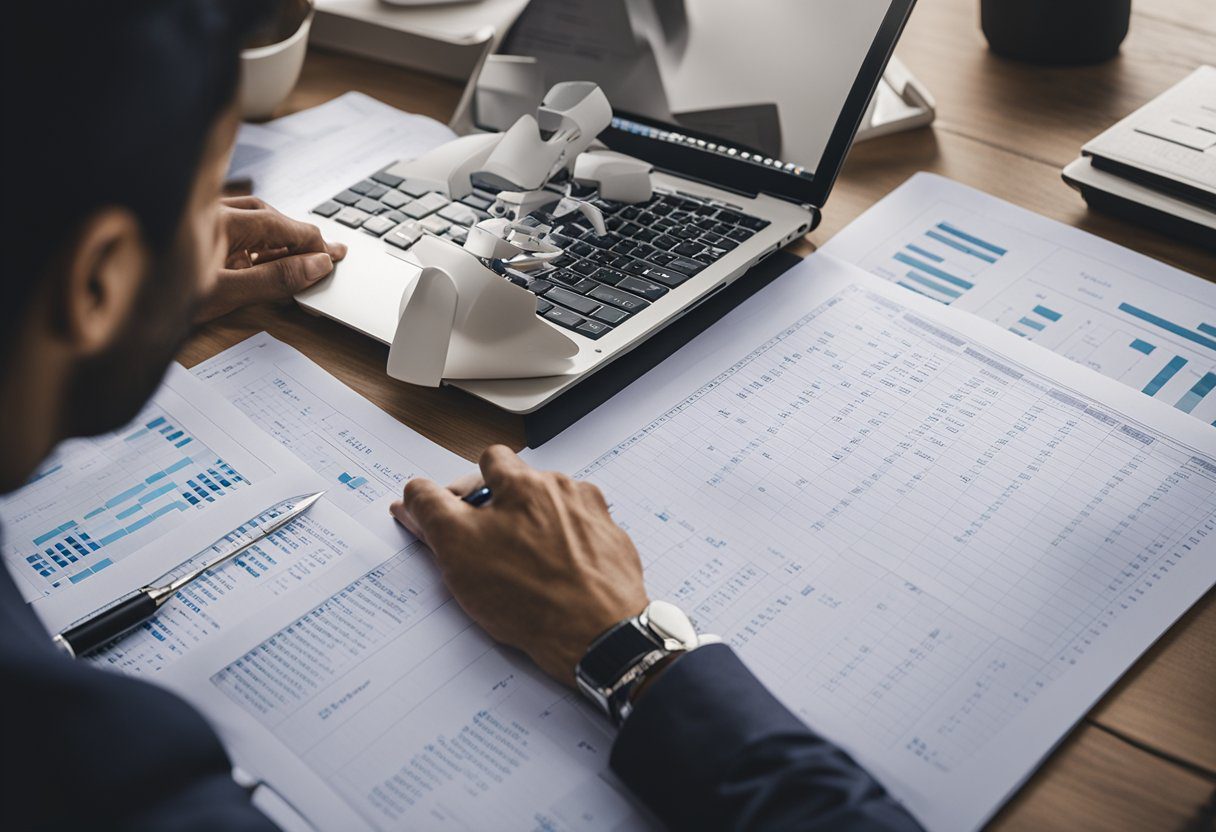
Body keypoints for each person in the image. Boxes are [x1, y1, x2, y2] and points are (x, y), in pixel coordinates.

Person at [0, 2, 921, 830]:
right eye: (204, 200)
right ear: (98, 278)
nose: (223, 220)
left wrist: (123, 304)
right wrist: (635, 653)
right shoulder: (111, 771)